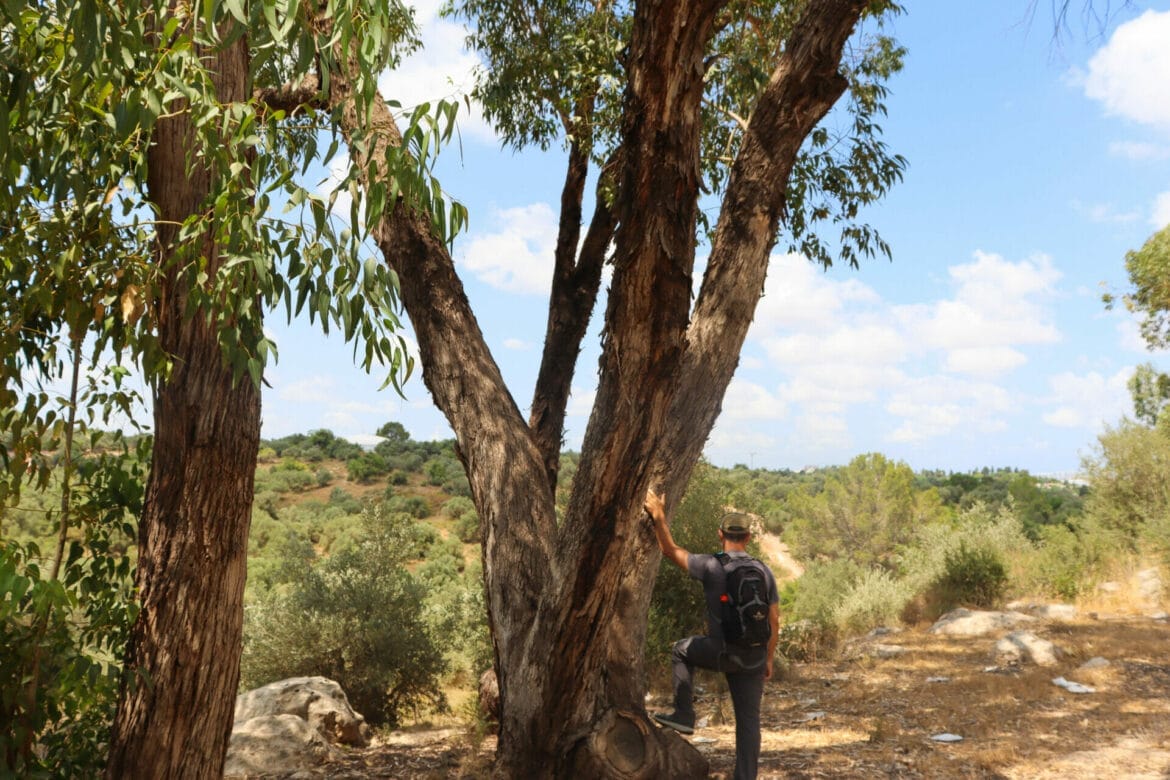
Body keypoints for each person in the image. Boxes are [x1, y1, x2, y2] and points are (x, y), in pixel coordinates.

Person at [644, 489, 780, 780]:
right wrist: (768, 659)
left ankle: (683, 715)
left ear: (721, 535)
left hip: (721, 652)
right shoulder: (764, 571)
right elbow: (775, 620)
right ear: (748, 538)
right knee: (748, 723)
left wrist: (658, 516)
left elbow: (670, 550)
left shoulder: (710, 565)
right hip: (755, 657)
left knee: (681, 649)